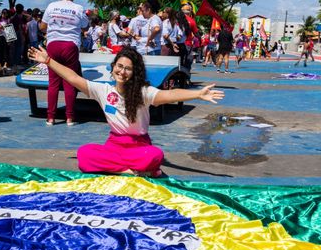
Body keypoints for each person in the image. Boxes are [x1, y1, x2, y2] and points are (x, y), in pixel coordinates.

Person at [27, 45, 224, 177]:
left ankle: (126, 168)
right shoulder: (103, 90)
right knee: (84, 153)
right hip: (114, 145)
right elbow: (73, 78)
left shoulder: (143, 92)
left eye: (128, 68)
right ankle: (129, 171)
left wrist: (198, 94)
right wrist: (48, 61)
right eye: (119, 66)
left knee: (154, 155)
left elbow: (170, 95)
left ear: (134, 72)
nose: (122, 71)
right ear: (113, 68)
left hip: (139, 146)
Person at [39, 0, 88, 126]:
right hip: (70, 46)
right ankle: (70, 118)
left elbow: (42, 26)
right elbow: (85, 26)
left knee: (53, 82)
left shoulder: (51, 6)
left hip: (53, 45)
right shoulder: (78, 8)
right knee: (70, 81)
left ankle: (50, 118)